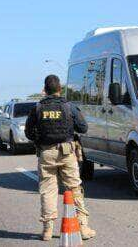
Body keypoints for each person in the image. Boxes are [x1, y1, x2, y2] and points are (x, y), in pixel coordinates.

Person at [25, 74, 96, 241]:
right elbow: (83, 128)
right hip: (67, 152)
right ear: (60, 89)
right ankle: (83, 227)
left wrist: (40, 140)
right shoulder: (68, 107)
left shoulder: (37, 108)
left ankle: (47, 230)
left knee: (48, 191)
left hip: (46, 152)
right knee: (74, 189)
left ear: (45, 90)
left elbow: (29, 132)